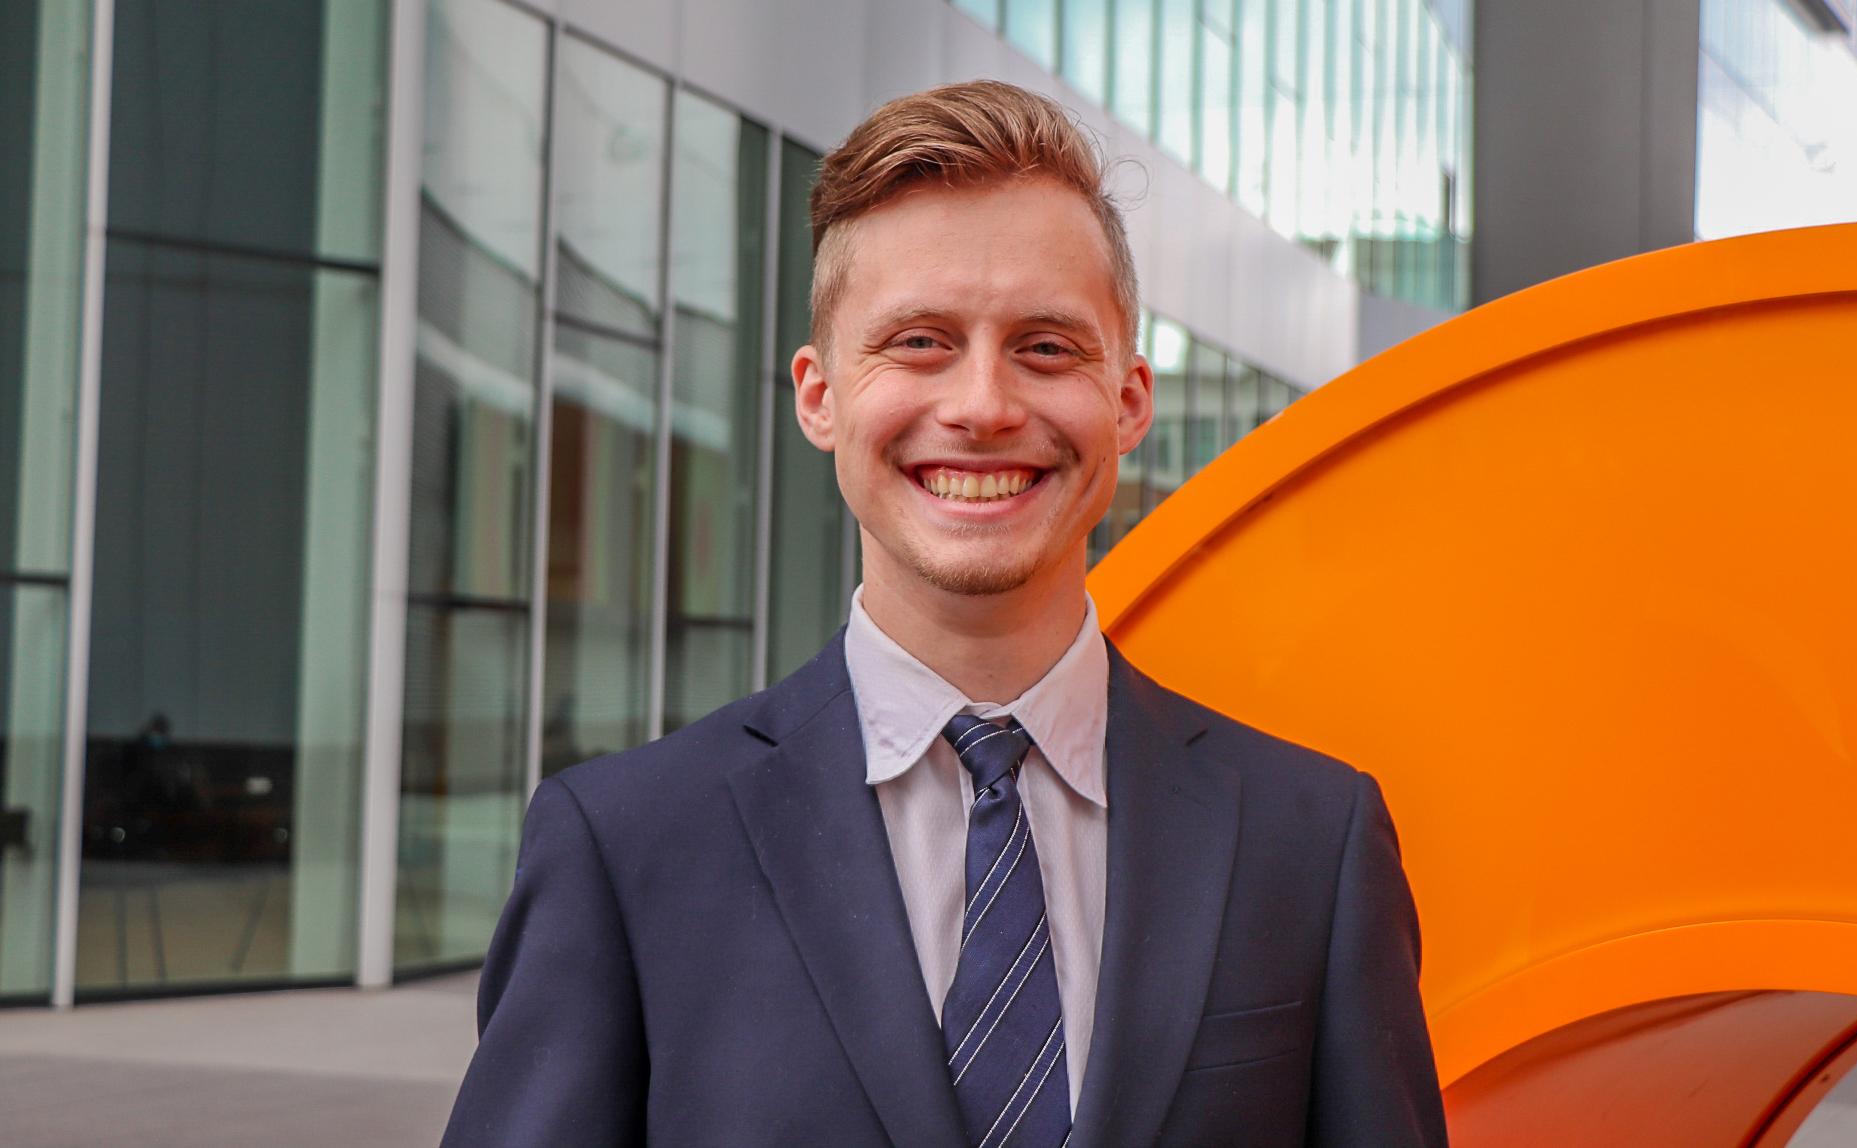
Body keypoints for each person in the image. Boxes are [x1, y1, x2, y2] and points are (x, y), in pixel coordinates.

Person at [440, 79, 1446, 1148]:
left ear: (1128, 401)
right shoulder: (625, 845)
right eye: (920, 341)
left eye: (1046, 346)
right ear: (820, 396)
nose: (982, 406)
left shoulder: (1313, 840)